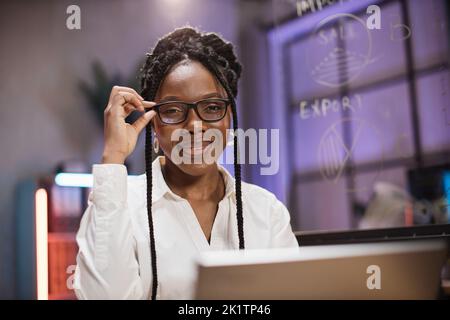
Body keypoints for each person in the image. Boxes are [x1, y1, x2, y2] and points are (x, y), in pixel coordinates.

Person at [74, 27, 298, 300]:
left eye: (212, 107)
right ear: (154, 124)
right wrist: (112, 159)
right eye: (173, 111)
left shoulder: (266, 211)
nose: (195, 125)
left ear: (229, 117)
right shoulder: (120, 206)